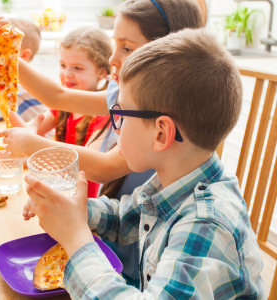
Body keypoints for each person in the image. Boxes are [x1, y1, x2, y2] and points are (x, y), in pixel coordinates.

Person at [23, 28, 265, 299]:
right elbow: (124, 218)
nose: (116, 127)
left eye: (121, 114)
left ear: (161, 133)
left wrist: (75, 237)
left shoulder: (205, 224)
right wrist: (72, 210)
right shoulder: (175, 179)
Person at [0, 0, 204, 287]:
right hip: (124, 223)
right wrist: (8, 51)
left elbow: (103, 167)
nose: (113, 59)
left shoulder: (164, 113)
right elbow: (58, 97)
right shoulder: (129, 91)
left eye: (127, 48)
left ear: (166, 52)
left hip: (140, 256)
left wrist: (36, 145)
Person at [0, 27, 112, 197]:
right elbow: (26, 131)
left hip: (82, 203)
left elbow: (91, 163)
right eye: (63, 65)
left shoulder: (104, 116)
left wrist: (32, 150)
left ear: (101, 72)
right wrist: (3, 105)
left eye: (77, 68)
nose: (67, 74)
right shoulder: (62, 109)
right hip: (56, 191)